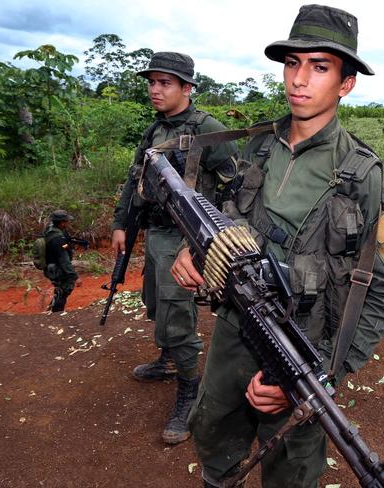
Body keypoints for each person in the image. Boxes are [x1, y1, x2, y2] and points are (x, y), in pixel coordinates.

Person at [171, 5, 384, 486]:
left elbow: (383, 291)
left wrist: (322, 376)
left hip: (302, 346)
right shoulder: (256, 145)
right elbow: (219, 216)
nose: (299, 79)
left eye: (319, 67)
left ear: (346, 83)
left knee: (292, 469)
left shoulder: (361, 174)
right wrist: (190, 250)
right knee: (214, 434)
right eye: (292, 63)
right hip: (234, 330)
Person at [110, 51, 239, 445]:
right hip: (155, 233)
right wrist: (120, 223)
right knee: (155, 303)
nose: (154, 89)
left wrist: (207, 238)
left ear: (187, 88)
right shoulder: (155, 130)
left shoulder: (208, 130)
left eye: (165, 83)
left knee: (176, 315)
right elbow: (136, 178)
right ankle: (168, 361)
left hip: (185, 240)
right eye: (152, 82)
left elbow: (239, 187)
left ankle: (189, 389)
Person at [43, 210, 79, 313]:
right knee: (65, 288)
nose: (68, 223)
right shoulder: (57, 239)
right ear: (62, 223)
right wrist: (75, 276)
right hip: (56, 268)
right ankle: (56, 314)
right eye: (67, 221)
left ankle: (51, 311)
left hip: (52, 267)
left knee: (60, 290)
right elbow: (64, 261)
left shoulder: (51, 230)